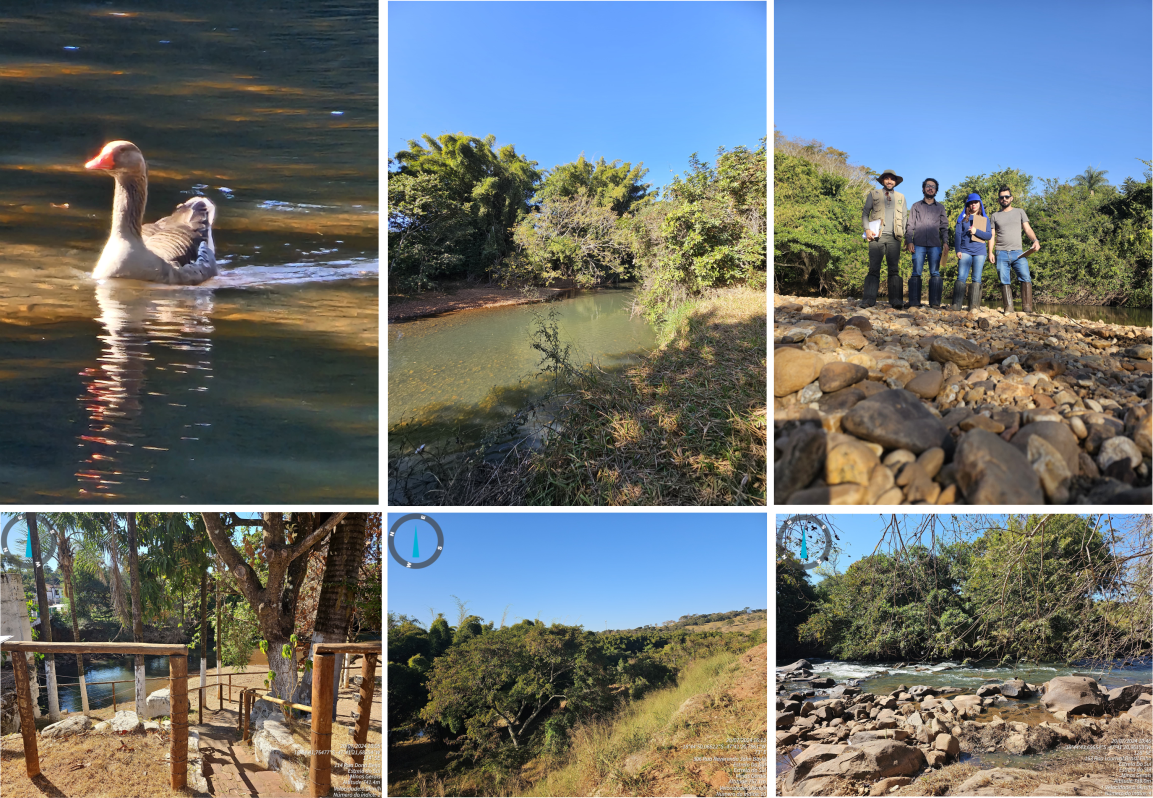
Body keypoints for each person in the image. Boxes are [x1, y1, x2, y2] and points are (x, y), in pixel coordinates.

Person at [989, 185, 1041, 312]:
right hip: (1001, 252)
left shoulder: (1020, 212)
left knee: (1025, 277)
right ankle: (1008, 308)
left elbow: (1027, 229)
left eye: (1007, 197)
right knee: (1004, 280)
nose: (1004, 199)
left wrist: (1035, 240)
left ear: (1011, 198)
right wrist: (990, 252)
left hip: (1019, 253)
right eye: (1002, 197)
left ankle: (1027, 308)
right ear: (998, 200)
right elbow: (992, 235)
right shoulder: (994, 216)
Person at [861, 169, 907, 308]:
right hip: (876, 237)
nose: (889, 181)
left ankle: (896, 301)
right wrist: (867, 229)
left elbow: (904, 217)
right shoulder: (874, 194)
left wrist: (903, 234)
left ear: (895, 182)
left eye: (892, 179)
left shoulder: (901, 197)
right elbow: (865, 213)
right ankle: (868, 300)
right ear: (882, 181)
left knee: (894, 269)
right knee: (874, 268)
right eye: (886, 178)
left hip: (894, 237)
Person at [904, 178, 949, 308]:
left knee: (935, 273)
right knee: (916, 272)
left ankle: (935, 303)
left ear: (936, 190)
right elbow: (910, 225)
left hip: (935, 245)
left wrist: (945, 242)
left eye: (933, 186)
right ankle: (914, 303)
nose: (930, 188)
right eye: (928, 186)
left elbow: (944, 227)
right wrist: (909, 241)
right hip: (917, 244)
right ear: (923, 188)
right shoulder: (916, 206)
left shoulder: (940, 208)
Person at [952, 193, 992, 310]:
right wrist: (958, 250)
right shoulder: (962, 218)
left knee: (976, 278)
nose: (974, 204)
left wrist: (976, 231)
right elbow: (958, 235)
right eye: (971, 202)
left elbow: (989, 235)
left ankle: (974, 307)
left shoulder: (985, 219)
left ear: (980, 204)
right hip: (964, 251)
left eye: (976, 202)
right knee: (961, 277)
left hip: (980, 252)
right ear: (968, 204)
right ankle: (956, 305)